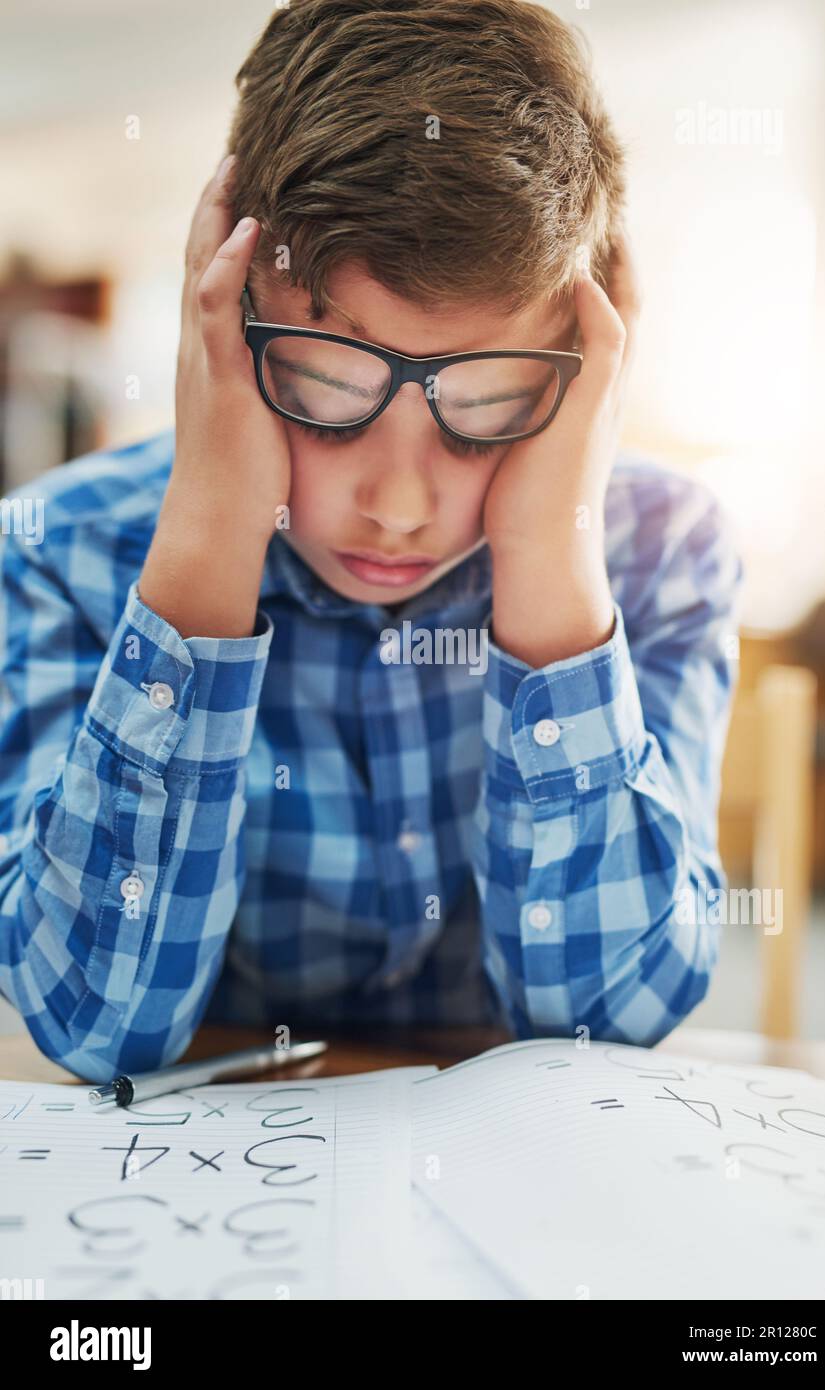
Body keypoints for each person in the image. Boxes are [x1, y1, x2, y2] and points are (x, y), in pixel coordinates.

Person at [0, 0, 741, 1081]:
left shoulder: (664, 549)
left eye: (487, 402)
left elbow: (608, 1026)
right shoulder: (60, 550)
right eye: (324, 385)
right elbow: (92, 1021)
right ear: (228, 314)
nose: (397, 505)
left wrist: (550, 557)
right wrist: (212, 526)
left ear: (588, 358)